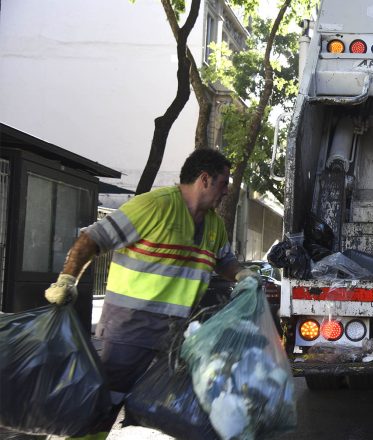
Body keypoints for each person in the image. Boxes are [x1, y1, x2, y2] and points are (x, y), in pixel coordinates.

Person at [43, 148, 256, 439]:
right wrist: (68, 279)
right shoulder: (154, 207)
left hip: (175, 337)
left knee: (178, 411)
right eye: (223, 183)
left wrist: (242, 274)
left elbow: (224, 262)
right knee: (104, 407)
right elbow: (92, 239)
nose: (226, 191)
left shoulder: (214, 226)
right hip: (131, 329)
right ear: (204, 179)